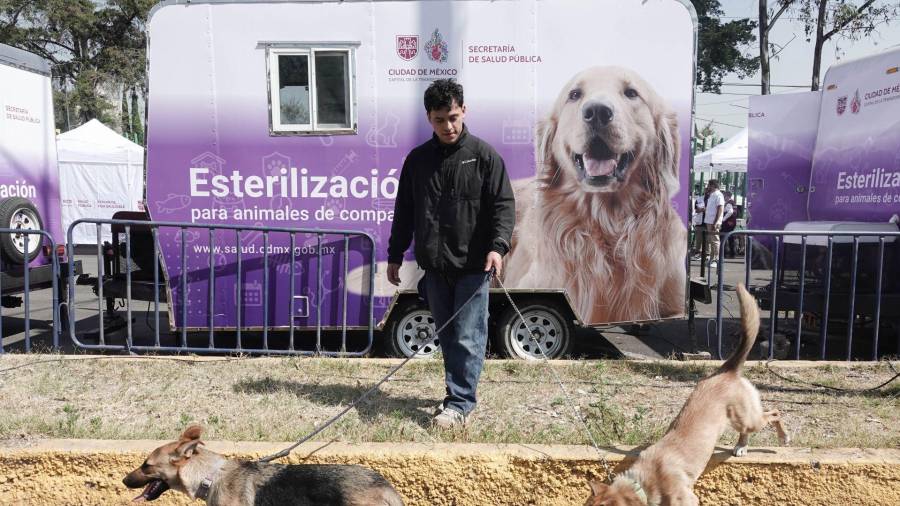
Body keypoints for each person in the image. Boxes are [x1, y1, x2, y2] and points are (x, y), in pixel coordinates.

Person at [387, 79, 515, 428]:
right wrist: (395, 253)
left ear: (464, 111)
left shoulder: (484, 157)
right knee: (447, 335)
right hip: (436, 267)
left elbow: (503, 207)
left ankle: (460, 404)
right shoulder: (418, 161)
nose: (448, 126)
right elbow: (405, 211)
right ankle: (455, 393)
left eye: (454, 117)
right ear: (429, 118)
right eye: (440, 119)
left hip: (474, 266)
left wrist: (498, 247)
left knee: (468, 335)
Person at [702, 180, 724, 268]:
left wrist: (715, 222)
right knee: (711, 241)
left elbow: (720, 208)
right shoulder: (712, 195)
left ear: (713, 186)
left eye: (709, 185)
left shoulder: (719, 195)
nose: (708, 187)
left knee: (715, 241)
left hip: (713, 222)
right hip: (709, 221)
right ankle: (712, 259)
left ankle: (717, 260)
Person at [690, 184, 706, 257]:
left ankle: (707, 254)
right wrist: (702, 210)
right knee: (699, 239)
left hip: (709, 222)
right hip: (700, 222)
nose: (707, 191)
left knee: (708, 240)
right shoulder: (699, 199)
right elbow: (696, 210)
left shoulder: (713, 199)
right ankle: (698, 252)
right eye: (706, 190)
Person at [721, 191, 737, 258]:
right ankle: (732, 253)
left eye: (724, 196)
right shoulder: (733, 202)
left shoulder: (729, 203)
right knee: (731, 238)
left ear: (727, 196)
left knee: (723, 237)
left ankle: (724, 253)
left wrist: (723, 219)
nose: (723, 197)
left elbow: (730, 212)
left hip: (728, 223)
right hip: (732, 222)